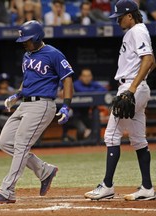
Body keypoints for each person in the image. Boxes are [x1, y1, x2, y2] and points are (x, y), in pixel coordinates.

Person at [0, 20, 74, 204]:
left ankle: (7, 191)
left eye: (27, 40)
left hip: (42, 105)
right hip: (24, 104)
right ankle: (44, 171)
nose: (24, 43)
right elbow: (28, 79)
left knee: (21, 145)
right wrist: (17, 95)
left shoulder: (53, 53)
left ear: (37, 37)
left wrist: (66, 105)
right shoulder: (27, 55)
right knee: (5, 142)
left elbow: (67, 79)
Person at [84, 0, 156, 201]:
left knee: (111, 135)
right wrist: (138, 85)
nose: (117, 21)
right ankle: (147, 188)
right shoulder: (136, 31)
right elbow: (152, 63)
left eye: (120, 17)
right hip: (135, 87)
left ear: (130, 15)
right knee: (138, 139)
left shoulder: (137, 31)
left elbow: (149, 60)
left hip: (130, 87)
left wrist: (132, 88)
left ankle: (107, 185)